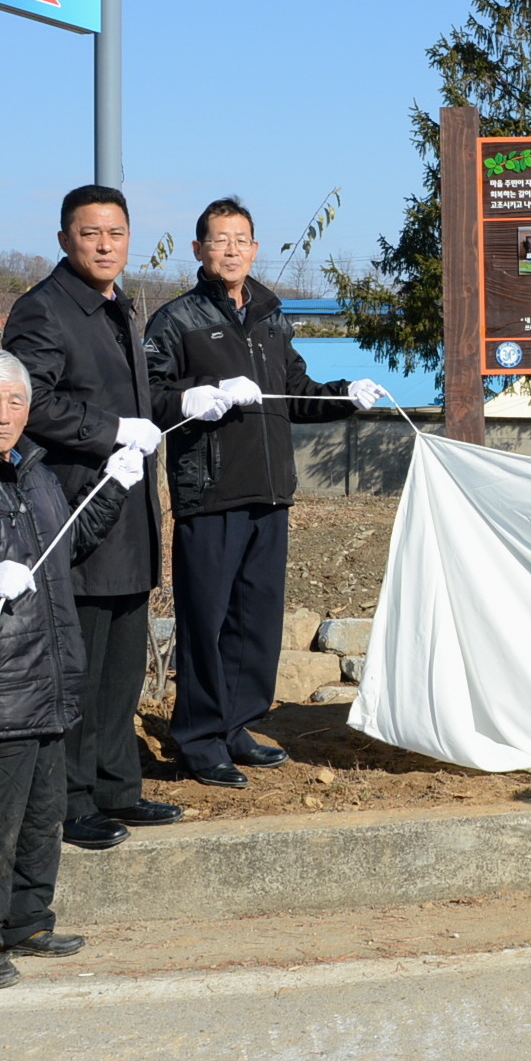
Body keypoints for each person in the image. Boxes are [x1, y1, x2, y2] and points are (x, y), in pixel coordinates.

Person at [0, 351, 149, 988]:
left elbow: (69, 546)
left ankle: (25, 919)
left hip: (46, 677)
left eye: (16, 402)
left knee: (41, 815)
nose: (4, 414)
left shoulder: (35, 474)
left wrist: (115, 484)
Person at [144, 197, 388, 788]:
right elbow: (146, 395)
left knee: (256, 622)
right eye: (219, 239)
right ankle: (198, 738)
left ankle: (235, 725)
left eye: (241, 239)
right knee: (207, 620)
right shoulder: (176, 321)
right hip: (210, 490)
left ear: (254, 249)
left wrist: (343, 397)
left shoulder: (272, 317)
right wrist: (191, 398)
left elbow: (296, 391)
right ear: (199, 248)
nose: (231, 249)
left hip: (271, 491)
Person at [5, 184, 184, 850]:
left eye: (115, 233)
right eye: (90, 234)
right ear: (63, 239)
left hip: (131, 511)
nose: (105, 245)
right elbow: (31, 405)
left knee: (122, 667)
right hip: (78, 509)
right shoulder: (45, 312)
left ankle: (118, 787)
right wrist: (112, 429)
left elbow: (140, 398)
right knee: (78, 668)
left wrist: (192, 398)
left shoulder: (119, 309)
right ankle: (71, 799)